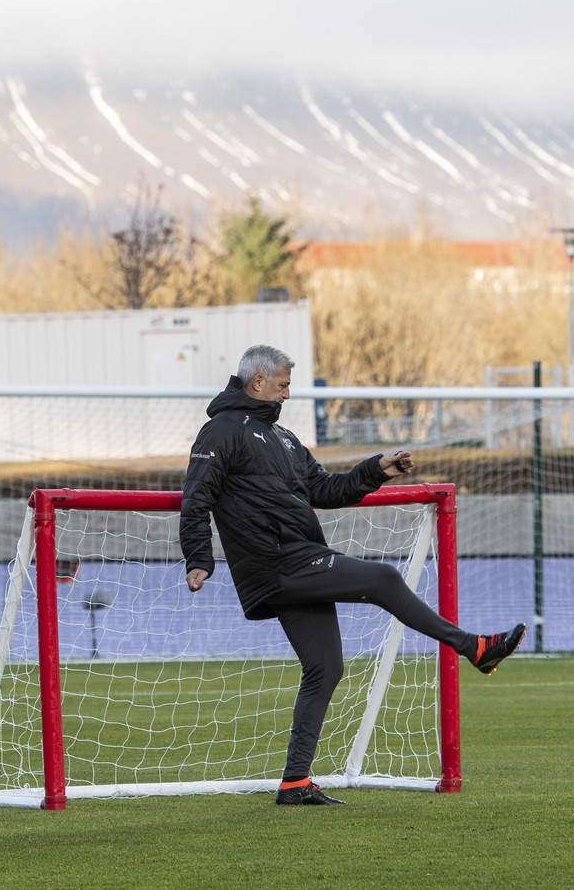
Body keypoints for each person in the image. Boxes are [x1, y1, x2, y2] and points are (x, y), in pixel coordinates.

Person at [180, 344, 525, 806]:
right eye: (282, 384)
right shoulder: (220, 431)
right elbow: (195, 497)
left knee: (325, 669)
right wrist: (198, 558)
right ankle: (474, 648)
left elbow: (325, 489)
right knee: (382, 579)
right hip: (276, 562)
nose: (287, 393)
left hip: (298, 557)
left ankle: (295, 784)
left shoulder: (282, 439)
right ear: (257, 383)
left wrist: (376, 469)